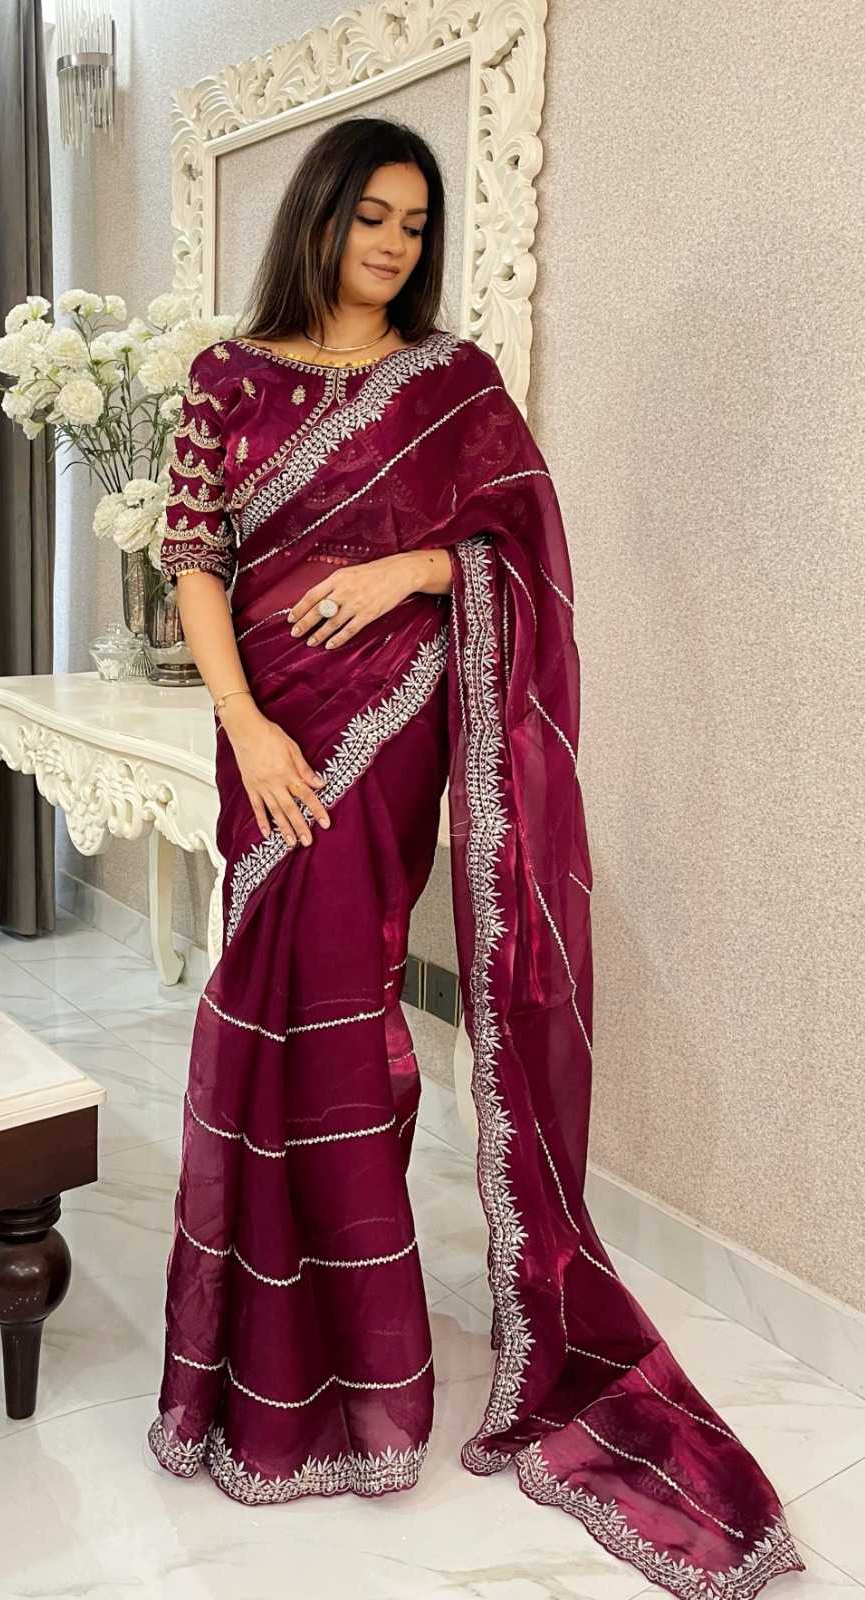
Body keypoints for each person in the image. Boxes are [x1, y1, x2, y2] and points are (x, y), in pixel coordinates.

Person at [146, 115, 804, 1600]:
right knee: (256, 1022)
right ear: (319, 217)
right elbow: (193, 563)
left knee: (351, 1015)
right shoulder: (227, 378)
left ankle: (354, 1361)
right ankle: (250, 1363)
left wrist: (411, 565)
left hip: (390, 737)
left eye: (415, 223)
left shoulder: (454, 384)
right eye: (370, 215)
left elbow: (522, 549)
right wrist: (248, 728)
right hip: (271, 743)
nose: (392, 244)